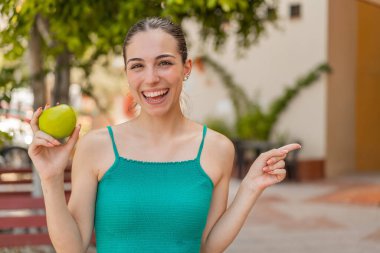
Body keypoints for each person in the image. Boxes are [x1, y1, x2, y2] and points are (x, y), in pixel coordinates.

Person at [28, 17, 301, 253]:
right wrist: (51, 178)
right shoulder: (96, 147)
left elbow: (206, 246)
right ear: (127, 74)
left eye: (164, 63)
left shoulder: (217, 148)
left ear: (186, 68)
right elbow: (72, 248)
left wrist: (250, 188)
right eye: (137, 66)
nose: (151, 78)